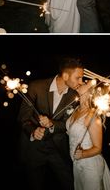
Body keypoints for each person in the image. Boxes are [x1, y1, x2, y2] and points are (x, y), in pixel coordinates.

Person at [18, 57, 84, 190]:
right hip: (33, 149)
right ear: (65, 75)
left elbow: (67, 124)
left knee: (71, 184)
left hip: (58, 149)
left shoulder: (74, 96)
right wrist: (33, 131)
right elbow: (23, 117)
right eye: (78, 78)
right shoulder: (36, 86)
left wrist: (52, 123)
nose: (81, 82)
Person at [67, 81, 110, 190]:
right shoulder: (75, 110)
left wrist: (83, 154)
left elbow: (98, 148)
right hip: (76, 164)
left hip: (91, 165)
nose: (81, 82)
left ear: (91, 91)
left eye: (85, 82)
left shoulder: (92, 116)